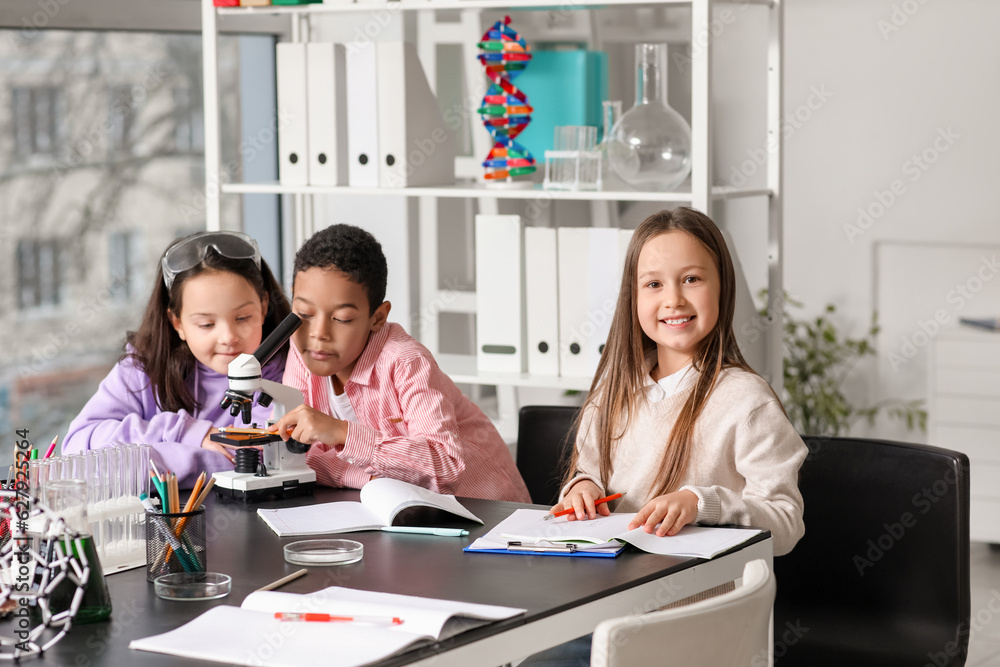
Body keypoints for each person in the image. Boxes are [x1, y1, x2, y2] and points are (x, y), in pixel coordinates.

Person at [520, 207, 806, 666]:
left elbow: (787, 522)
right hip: (607, 602)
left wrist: (701, 502)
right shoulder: (616, 390)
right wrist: (582, 488)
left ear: (722, 287)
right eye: (654, 284)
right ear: (633, 299)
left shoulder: (746, 399)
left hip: (696, 615)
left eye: (691, 279)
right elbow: (587, 470)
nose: (673, 299)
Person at [270, 224, 531, 503]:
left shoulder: (406, 361)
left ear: (378, 317)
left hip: (487, 511)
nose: (318, 333)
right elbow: (302, 458)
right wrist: (367, 477)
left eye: (342, 319)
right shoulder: (304, 352)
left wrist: (342, 434)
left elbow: (444, 467)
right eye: (304, 314)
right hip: (399, 507)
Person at [64, 231, 291, 488]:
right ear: (177, 322)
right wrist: (185, 431)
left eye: (242, 318)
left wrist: (148, 459)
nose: (228, 337)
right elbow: (77, 450)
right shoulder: (142, 368)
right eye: (206, 324)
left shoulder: (284, 371)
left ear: (263, 307)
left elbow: (253, 463)